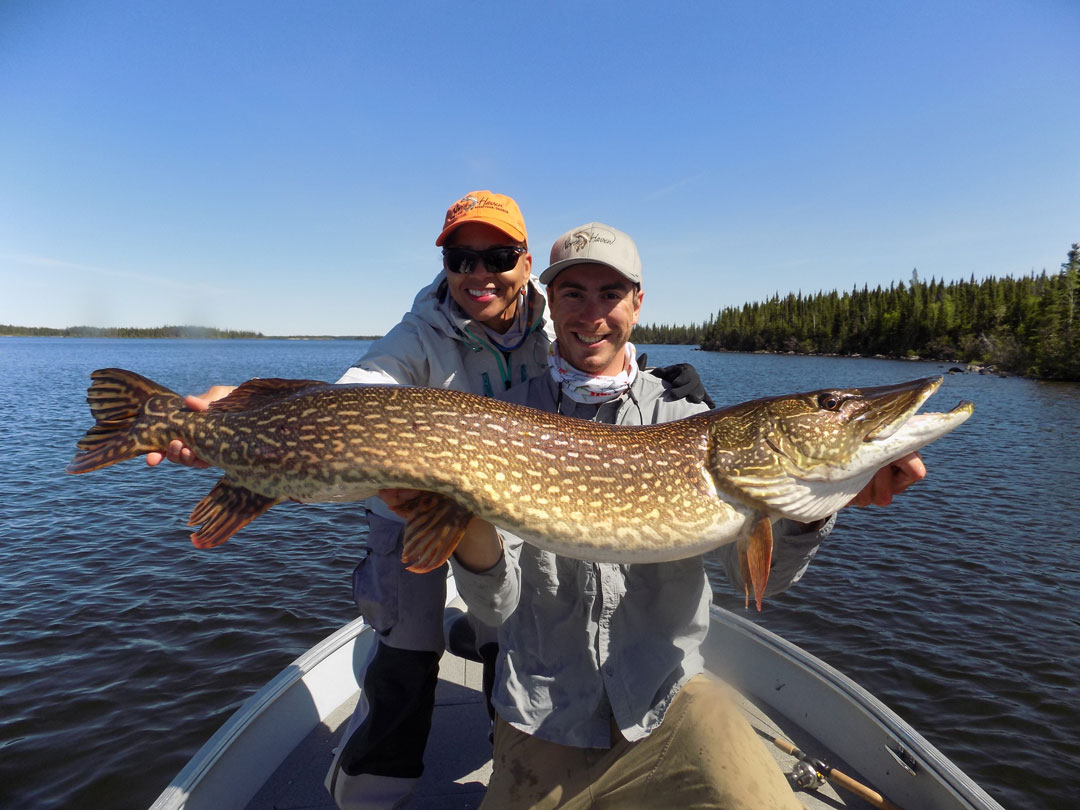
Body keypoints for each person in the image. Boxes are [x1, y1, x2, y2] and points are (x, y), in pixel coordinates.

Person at [146, 196, 714, 810]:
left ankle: (519, 754)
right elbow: (363, 391)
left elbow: (597, 349)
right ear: (444, 264)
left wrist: (661, 387)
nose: (479, 274)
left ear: (526, 266)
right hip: (407, 500)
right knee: (407, 650)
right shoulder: (418, 333)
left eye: (497, 257)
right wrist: (247, 419)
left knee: (507, 633)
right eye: (460, 258)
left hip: (507, 497)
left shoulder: (554, 318)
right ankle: (368, 792)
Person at [382, 221, 926, 809]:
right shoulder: (503, 420)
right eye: (574, 294)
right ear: (550, 305)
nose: (593, 314)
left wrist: (817, 508)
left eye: (611, 294)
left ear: (637, 305)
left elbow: (757, 581)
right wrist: (463, 519)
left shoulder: (684, 417)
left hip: (670, 702)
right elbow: (492, 606)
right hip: (545, 713)